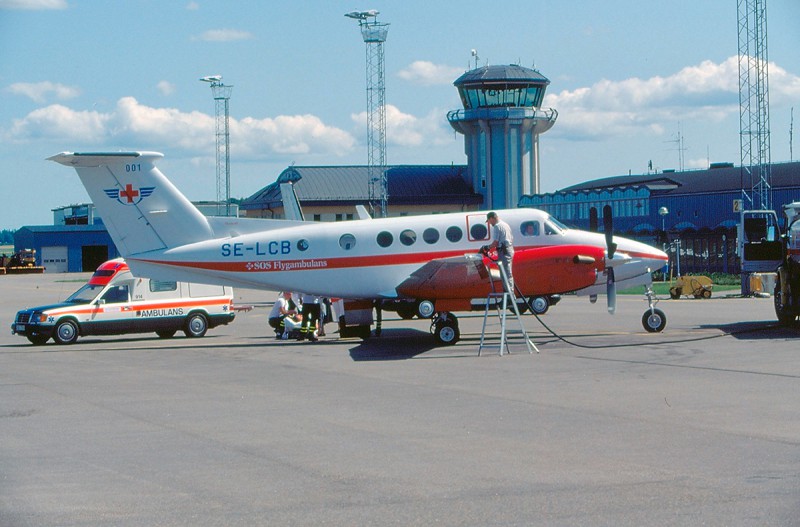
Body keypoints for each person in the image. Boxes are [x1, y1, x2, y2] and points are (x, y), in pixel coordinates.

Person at [486, 211, 515, 294]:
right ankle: (508, 292)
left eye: (489, 221)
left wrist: (487, 247)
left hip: (504, 251)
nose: (489, 223)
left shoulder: (497, 226)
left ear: (492, 218)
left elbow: (495, 242)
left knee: (505, 273)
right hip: (509, 249)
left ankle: (509, 294)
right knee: (507, 272)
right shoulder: (505, 224)